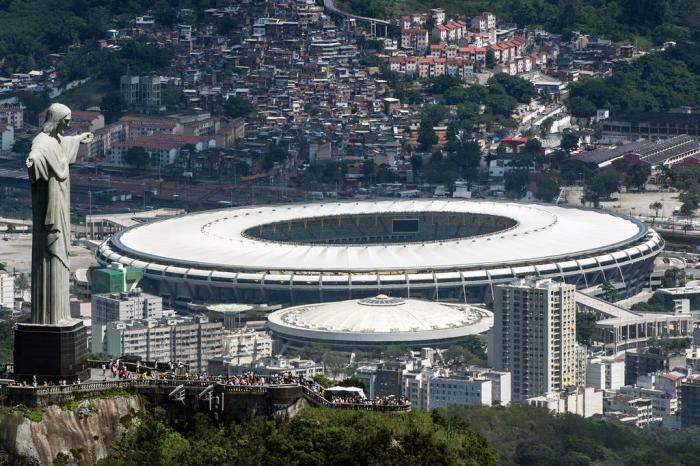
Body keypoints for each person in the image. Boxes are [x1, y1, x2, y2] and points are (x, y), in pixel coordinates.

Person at [25, 103, 93, 325]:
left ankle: (60, 315)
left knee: (61, 252)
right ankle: (49, 317)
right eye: (66, 120)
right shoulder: (42, 142)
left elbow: (62, 144)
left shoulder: (55, 139)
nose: (68, 123)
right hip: (50, 208)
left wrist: (78, 138)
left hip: (62, 202)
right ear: (56, 119)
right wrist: (33, 161)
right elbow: (37, 153)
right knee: (50, 255)